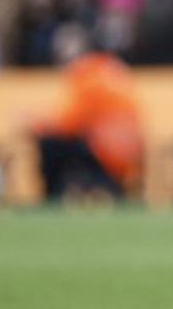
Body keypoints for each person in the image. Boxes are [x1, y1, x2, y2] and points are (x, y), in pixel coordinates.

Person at [30, 23, 144, 201]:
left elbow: (68, 122)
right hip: (129, 149)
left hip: (106, 151)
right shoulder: (108, 67)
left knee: (49, 144)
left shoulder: (86, 75)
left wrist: (35, 123)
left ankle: (51, 196)